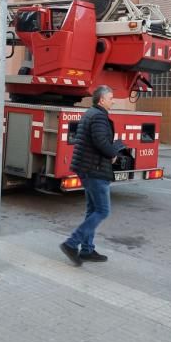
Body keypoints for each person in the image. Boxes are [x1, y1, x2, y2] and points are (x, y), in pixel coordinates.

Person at [60, 85, 125, 266]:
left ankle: (87, 250)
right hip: (94, 169)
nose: (113, 100)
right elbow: (101, 143)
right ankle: (72, 243)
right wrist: (114, 152)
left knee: (92, 210)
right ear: (102, 100)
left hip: (88, 168)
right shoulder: (98, 117)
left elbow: (97, 142)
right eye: (111, 98)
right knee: (103, 210)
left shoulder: (92, 114)